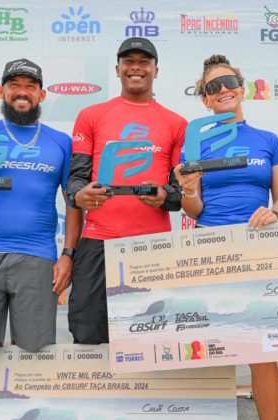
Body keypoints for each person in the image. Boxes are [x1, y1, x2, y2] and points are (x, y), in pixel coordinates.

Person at [0, 58, 79, 420]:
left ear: (42, 94)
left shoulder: (61, 143)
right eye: (14, 85)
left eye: (29, 86)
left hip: (38, 259)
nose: (22, 92)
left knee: (33, 356)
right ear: (2, 91)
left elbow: (73, 205)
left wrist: (67, 254)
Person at [173, 55, 278, 420]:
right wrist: (188, 189)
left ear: (242, 89)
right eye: (212, 87)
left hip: (257, 248)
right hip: (208, 247)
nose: (222, 90)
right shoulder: (195, 145)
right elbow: (193, 209)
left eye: (229, 82)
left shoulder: (268, 141)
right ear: (204, 99)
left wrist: (276, 211)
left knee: (260, 351)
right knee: (206, 347)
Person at [66, 37, 187, 344]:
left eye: (144, 62)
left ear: (156, 70)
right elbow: (77, 179)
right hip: (97, 243)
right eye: (129, 61)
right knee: (88, 334)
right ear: (117, 69)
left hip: (151, 247)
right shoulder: (90, 115)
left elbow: (179, 194)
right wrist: (79, 196)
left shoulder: (176, 123)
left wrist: (164, 196)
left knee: (149, 340)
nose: (136, 67)